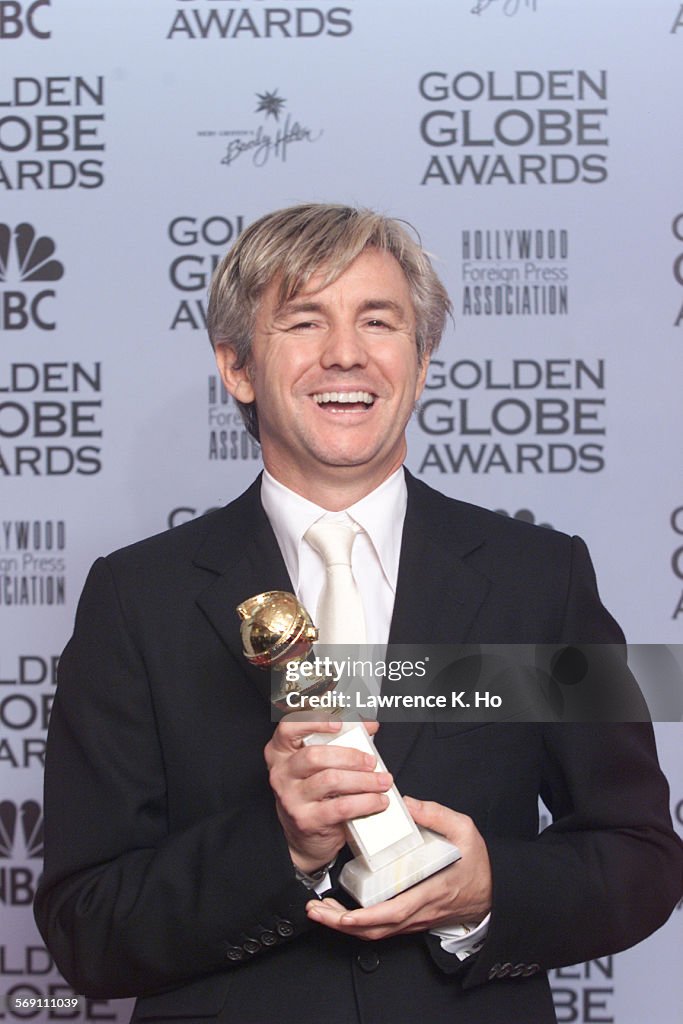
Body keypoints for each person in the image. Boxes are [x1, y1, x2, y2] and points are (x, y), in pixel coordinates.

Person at [35, 204, 682, 1024]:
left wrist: (488, 891)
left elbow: (640, 858)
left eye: (379, 321)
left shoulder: (538, 580)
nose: (346, 353)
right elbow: (85, 928)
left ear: (419, 359)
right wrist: (284, 849)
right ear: (236, 366)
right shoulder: (138, 598)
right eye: (303, 321)